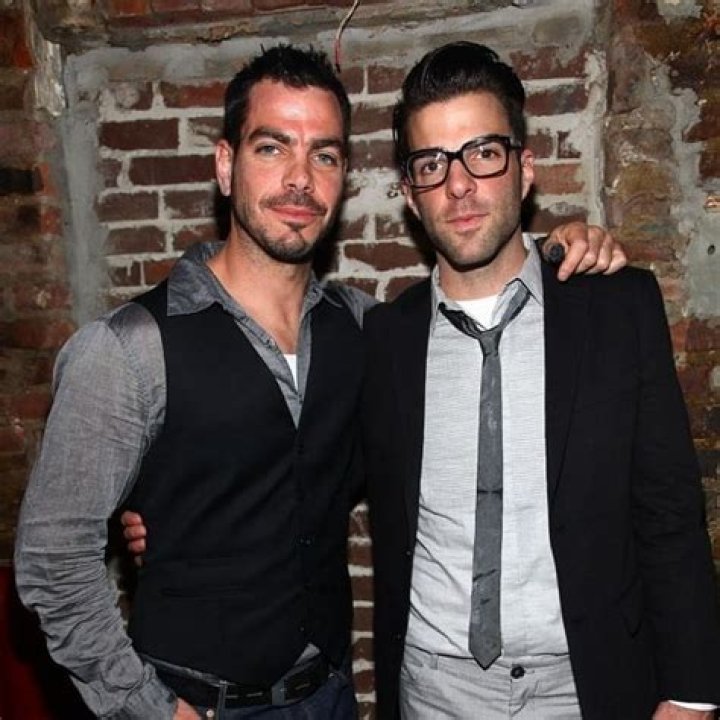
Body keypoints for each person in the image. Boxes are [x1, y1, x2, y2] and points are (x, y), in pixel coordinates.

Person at [15, 44, 621, 720]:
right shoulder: (127, 349)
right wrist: (149, 709)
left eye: (325, 156)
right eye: (272, 148)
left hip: (330, 697)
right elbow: (52, 562)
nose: (300, 179)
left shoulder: (364, 331)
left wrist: (559, 246)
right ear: (225, 165)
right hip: (195, 702)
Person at [362, 41, 720, 720]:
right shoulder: (384, 340)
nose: (459, 184)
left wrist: (692, 693)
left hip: (587, 687)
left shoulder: (616, 310)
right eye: (432, 163)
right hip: (434, 692)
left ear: (525, 170)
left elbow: (670, 512)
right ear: (409, 194)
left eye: (483, 152)